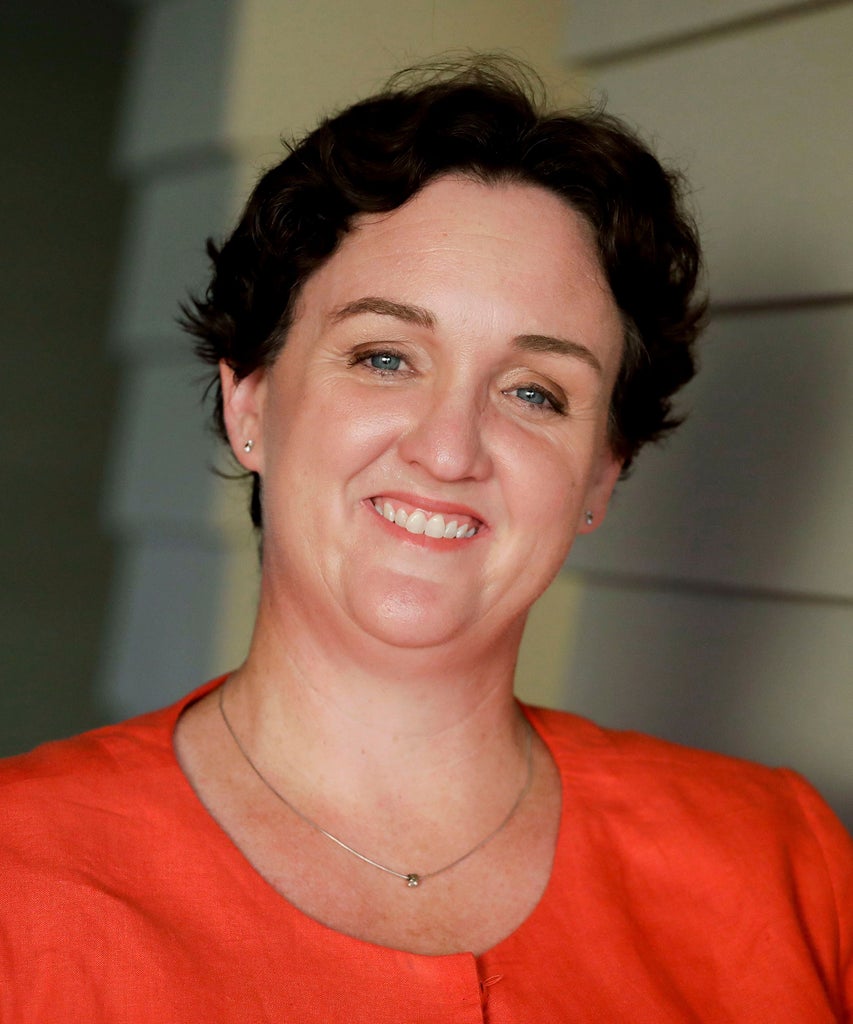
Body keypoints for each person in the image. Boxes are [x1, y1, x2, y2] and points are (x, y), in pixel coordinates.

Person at [1, 58, 851, 1022]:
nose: (449, 450)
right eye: (384, 357)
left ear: (600, 473)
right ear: (250, 402)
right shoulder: (18, 877)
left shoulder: (782, 865)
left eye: (534, 392)